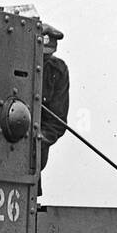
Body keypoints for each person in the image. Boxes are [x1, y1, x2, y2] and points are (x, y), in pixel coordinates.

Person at [38, 23, 69, 186]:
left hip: (33, 160)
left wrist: (36, 141)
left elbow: (57, 122)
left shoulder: (58, 70)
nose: (43, 60)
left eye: (47, 56)